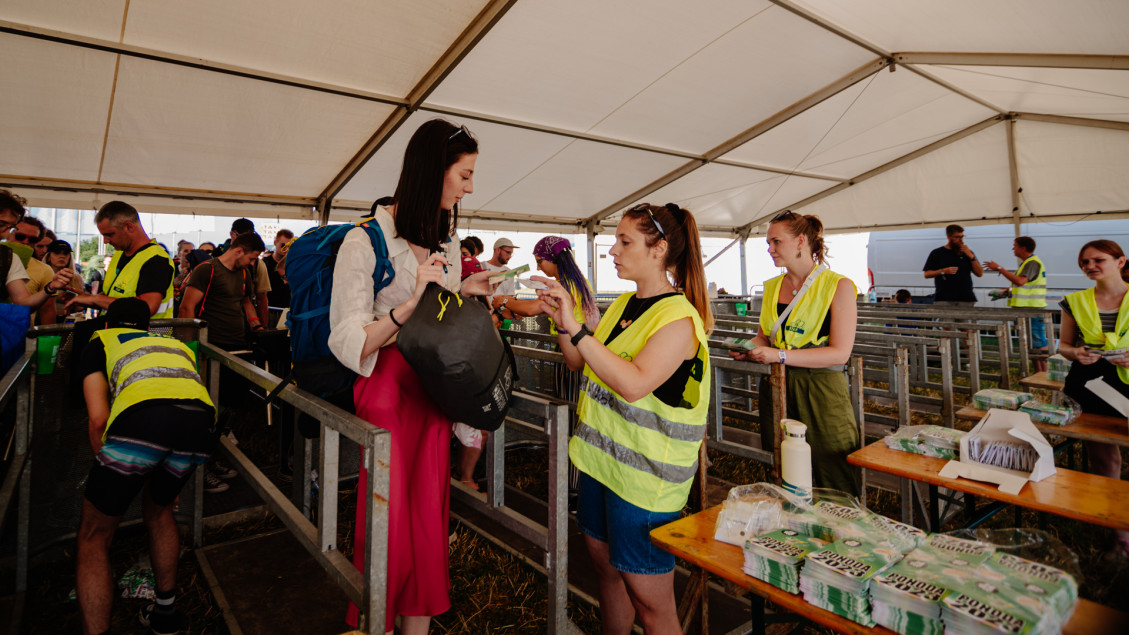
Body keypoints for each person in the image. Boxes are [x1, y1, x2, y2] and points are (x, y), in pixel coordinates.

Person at [329, 119, 495, 634]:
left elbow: (437, 316)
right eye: (464, 174)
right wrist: (405, 309)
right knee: (388, 520)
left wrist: (464, 292)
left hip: (429, 388)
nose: (470, 186)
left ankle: (416, 627)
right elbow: (347, 339)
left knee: (427, 517)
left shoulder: (441, 240)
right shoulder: (363, 241)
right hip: (387, 389)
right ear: (433, 171)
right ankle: (375, 620)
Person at [535, 202, 713, 634]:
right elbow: (580, 361)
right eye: (614, 239)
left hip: (645, 483)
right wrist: (563, 321)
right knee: (608, 575)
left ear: (659, 249)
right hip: (601, 467)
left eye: (624, 241)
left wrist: (578, 330)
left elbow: (633, 383)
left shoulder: (679, 319)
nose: (612, 250)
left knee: (652, 606)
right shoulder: (623, 306)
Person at [74, 298, 216, 635]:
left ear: (108, 323)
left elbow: (98, 419)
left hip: (142, 421)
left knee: (94, 535)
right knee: (160, 510)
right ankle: (165, 614)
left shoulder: (102, 341)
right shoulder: (174, 343)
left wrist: (109, 473)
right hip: (199, 424)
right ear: (147, 326)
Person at [729, 211, 860, 496]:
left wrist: (780, 356)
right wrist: (750, 347)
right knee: (780, 462)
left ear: (801, 241)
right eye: (768, 243)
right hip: (777, 383)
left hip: (821, 388)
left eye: (776, 241)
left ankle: (840, 529)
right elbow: (766, 336)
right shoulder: (772, 287)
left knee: (831, 464)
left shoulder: (838, 286)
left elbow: (839, 353)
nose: (770, 249)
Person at [1056, 239, 1129, 562]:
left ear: (1121, 261)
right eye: (1084, 263)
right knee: (1104, 459)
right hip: (1092, 384)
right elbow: (1064, 346)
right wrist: (1078, 354)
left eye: (1098, 260)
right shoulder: (1075, 301)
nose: (1090, 266)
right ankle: (1119, 533)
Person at [66, 201, 175, 318]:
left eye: (110, 234)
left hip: (145, 335)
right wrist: (87, 299)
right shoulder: (118, 255)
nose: (105, 241)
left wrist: (96, 299)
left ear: (129, 227)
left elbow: (147, 306)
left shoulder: (156, 260)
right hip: (116, 332)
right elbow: (113, 298)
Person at [0, 190, 73, 312]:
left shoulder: (9, 258)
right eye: (2, 224)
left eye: (11, 227)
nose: (6, 233)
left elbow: (22, 302)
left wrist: (50, 288)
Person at [985, 236, 1049, 372]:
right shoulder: (1027, 263)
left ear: (1023, 248)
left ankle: (1045, 373)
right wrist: (1007, 292)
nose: (1012, 249)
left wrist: (1000, 269)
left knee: (1038, 342)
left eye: (1014, 246)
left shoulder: (1032, 262)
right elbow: (1024, 286)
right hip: (1027, 309)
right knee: (1032, 342)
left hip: (1032, 309)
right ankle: (1039, 372)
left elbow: (1021, 281)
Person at [3, 212, 60, 324]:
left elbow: (47, 310)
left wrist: (49, 338)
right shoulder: (6, 258)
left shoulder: (45, 270)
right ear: (9, 233)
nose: (25, 242)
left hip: (20, 333)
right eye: (20, 236)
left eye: (32, 240)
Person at [219, 219, 272, 325]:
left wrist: (262, 328)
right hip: (217, 324)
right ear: (232, 234)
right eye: (241, 237)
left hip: (244, 324)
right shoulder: (213, 262)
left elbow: (260, 298)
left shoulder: (257, 264)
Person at [923, 224, 983, 305]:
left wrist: (972, 257)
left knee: (964, 318)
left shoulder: (968, 252)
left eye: (962, 236)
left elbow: (979, 273)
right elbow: (927, 274)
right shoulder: (937, 253)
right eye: (957, 237)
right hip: (944, 298)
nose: (961, 240)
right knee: (945, 318)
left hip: (966, 298)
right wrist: (943, 271)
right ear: (948, 237)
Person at [43, 240, 84, 316]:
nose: (62, 256)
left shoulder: (76, 278)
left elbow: (80, 309)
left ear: (69, 257)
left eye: (65, 253)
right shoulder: (41, 275)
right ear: (48, 257)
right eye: (57, 253)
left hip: (69, 320)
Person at [264, 229, 293, 310]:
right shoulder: (265, 263)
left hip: (287, 309)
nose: (286, 248)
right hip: (269, 308)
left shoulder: (292, 264)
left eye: (289, 246)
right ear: (275, 243)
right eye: (283, 245)